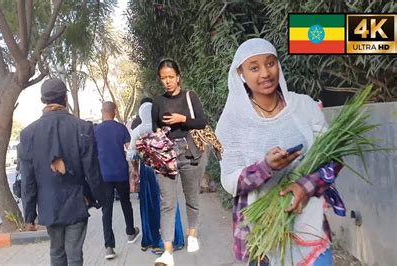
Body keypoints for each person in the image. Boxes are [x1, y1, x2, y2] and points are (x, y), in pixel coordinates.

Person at [216, 38, 343, 265]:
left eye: (270, 63)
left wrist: (305, 186)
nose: (265, 73)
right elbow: (229, 181)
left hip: (309, 226)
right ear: (241, 74)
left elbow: (334, 158)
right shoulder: (232, 122)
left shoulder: (303, 106)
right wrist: (265, 167)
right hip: (262, 233)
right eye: (254, 67)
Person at [18, 78, 104, 266]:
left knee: (56, 253)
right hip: (77, 202)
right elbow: (92, 170)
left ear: (43, 101)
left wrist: (29, 215)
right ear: (65, 98)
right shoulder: (82, 127)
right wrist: (98, 199)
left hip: (49, 206)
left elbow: (28, 180)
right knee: (74, 254)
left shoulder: (28, 134)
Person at [151, 59, 208, 266]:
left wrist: (182, 119)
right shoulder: (157, 102)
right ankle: (168, 252)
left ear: (178, 77)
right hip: (166, 155)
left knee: (191, 197)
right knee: (167, 203)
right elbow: (155, 129)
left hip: (189, 152)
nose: (167, 81)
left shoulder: (189, 96)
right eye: (163, 78)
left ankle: (192, 234)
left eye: (170, 77)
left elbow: (202, 122)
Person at [127, 98, 185, 255]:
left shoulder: (138, 131)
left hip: (149, 172)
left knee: (152, 205)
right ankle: (176, 239)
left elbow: (131, 155)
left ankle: (155, 240)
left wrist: (135, 171)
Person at [94, 101, 140, 260]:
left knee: (106, 210)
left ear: (102, 111)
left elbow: (93, 154)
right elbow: (130, 150)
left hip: (104, 174)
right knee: (126, 202)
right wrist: (135, 169)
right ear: (114, 111)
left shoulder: (96, 130)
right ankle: (130, 232)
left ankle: (109, 247)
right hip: (120, 172)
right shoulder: (120, 128)